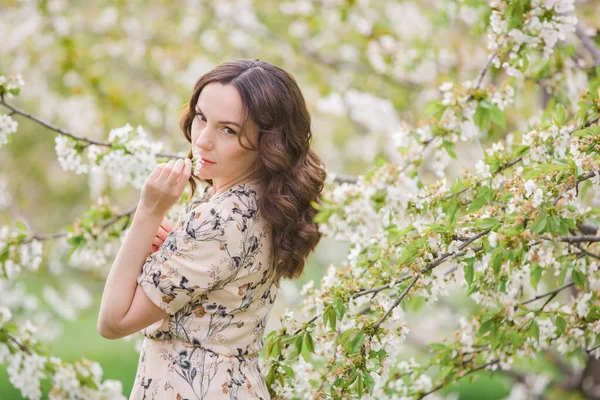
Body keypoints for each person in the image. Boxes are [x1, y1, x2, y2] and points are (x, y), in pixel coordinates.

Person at [97, 58, 327, 399]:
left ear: (269, 142)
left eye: (228, 130)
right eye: (201, 117)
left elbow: (112, 323)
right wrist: (176, 247)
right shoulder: (266, 200)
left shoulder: (218, 221)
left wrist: (148, 211)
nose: (202, 140)